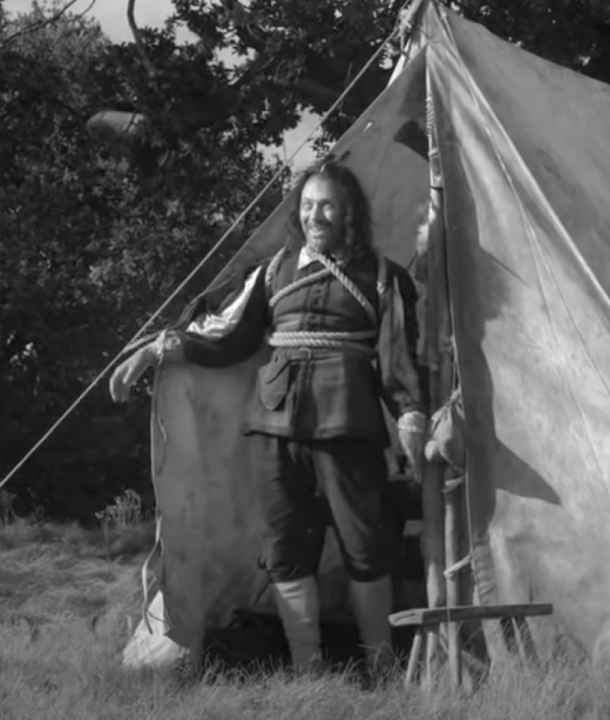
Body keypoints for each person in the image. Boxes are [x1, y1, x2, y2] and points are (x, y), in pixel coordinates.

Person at [110, 159, 430, 677]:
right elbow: (230, 339)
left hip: (347, 426)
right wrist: (161, 350)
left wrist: (412, 412)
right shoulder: (274, 271)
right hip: (275, 426)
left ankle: (383, 666)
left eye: (326, 205)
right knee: (284, 549)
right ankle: (308, 669)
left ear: (347, 210)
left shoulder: (383, 277)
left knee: (365, 545)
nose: (315, 215)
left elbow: (397, 360)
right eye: (307, 206)